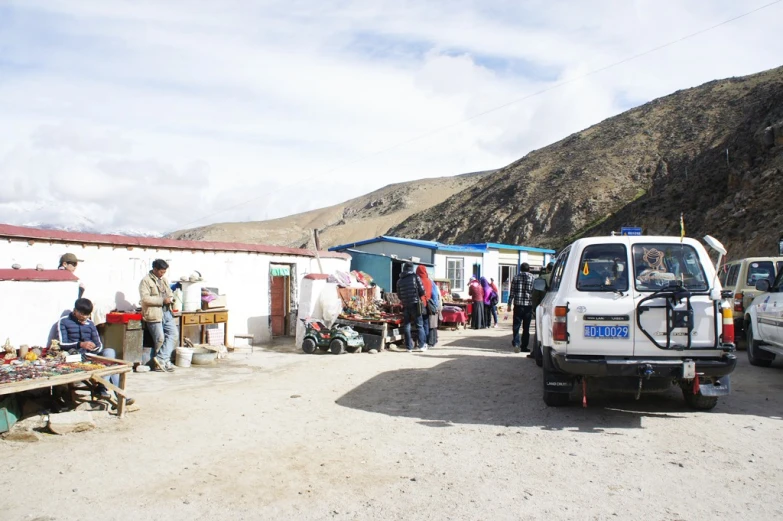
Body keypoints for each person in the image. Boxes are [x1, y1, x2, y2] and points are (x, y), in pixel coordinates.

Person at [58, 298, 134, 405]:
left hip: (91, 355)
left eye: (87, 315)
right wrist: (80, 344)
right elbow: (62, 344)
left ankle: (101, 387)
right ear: (75, 310)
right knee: (111, 367)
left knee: (110, 352)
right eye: (82, 314)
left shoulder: (90, 324)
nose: (85, 317)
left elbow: (99, 344)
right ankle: (119, 396)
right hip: (75, 356)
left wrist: (94, 348)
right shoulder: (64, 321)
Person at [140, 259, 179, 372]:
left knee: (173, 334)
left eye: (164, 271)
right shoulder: (146, 281)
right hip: (154, 314)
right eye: (161, 271)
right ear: (155, 269)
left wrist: (171, 298)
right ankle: (161, 362)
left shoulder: (164, 280)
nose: (163, 274)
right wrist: (162, 300)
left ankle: (162, 359)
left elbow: (169, 292)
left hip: (167, 312)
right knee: (160, 338)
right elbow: (145, 299)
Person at [396, 263, 428, 352]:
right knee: (419, 325)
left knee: (406, 325)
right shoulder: (415, 277)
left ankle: (408, 347)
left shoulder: (399, 280)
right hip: (415, 304)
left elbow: (399, 295)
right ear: (411, 268)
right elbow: (422, 291)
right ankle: (421, 345)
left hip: (405, 305)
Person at [509, 262, 535, 353]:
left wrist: (509, 304)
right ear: (528, 269)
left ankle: (516, 344)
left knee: (516, 326)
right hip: (528, 306)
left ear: (520, 269)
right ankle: (524, 346)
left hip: (518, 305)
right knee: (526, 327)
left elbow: (512, 292)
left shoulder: (515, 277)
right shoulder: (532, 278)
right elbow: (533, 293)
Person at [416, 265, 433, 348]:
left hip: (419, 304)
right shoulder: (429, 281)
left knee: (420, 324)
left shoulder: (417, 280)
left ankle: (421, 343)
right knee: (426, 324)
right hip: (427, 304)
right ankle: (426, 341)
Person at [428, 277, 441, 347]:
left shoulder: (432, 285)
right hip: (436, 305)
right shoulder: (434, 285)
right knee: (434, 324)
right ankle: (435, 340)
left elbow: (434, 296)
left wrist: (435, 307)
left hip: (433, 306)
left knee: (432, 324)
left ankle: (431, 341)